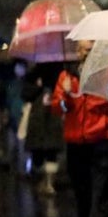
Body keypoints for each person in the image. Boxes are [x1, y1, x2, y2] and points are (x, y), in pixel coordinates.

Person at [51, 39, 108, 217]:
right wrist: (67, 95)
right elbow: (57, 107)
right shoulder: (66, 77)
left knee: (101, 192)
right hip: (76, 144)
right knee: (82, 193)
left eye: (89, 49)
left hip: (101, 141)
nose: (84, 53)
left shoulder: (107, 74)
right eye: (82, 49)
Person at [19, 65, 64, 195]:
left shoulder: (58, 73)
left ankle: (48, 183)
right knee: (42, 154)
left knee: (49, 152)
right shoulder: (35, 74)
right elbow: (26, 94)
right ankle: (45, 182)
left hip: (51, 117)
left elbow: (25, 94)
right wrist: (38, 86)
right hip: (40, 119)